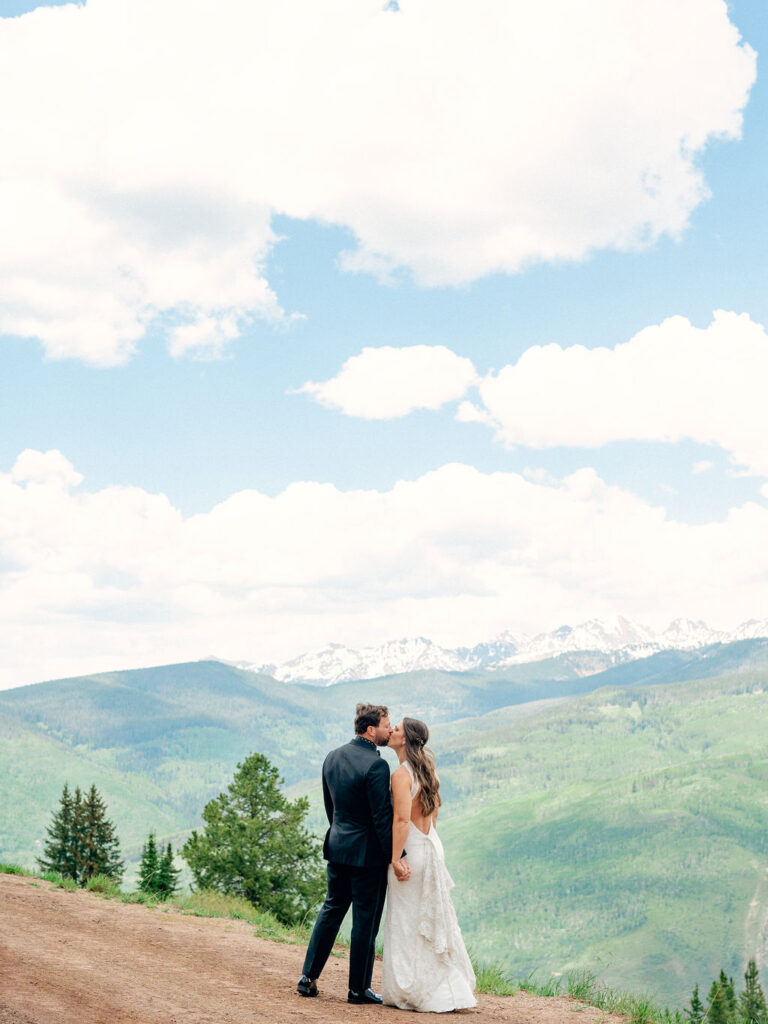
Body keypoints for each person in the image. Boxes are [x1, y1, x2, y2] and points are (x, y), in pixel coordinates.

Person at [297, 703, 409, 1005]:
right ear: (371, 730)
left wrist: (341, 835)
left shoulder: (332, 757)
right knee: (365, 921)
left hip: (337, 846)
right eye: (387, 724)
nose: (389, 729)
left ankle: (308, 978)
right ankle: (357, 989)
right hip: (367, 857)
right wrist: (397, 855)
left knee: (331, 910)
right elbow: (382, 818)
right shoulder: (377, 765)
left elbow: (331, 808)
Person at [382, 717, 477, 1012]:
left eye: (396, 729)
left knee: (409, 920)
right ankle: (445, 985)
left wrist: (396, 858)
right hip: (431, 845)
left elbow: (400, 820)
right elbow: (434, 814)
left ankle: (413, 987)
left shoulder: (401, 775)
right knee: (432, 918)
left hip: (411, 847)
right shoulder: (427, 771)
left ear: (406, 739)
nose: (392, 731)